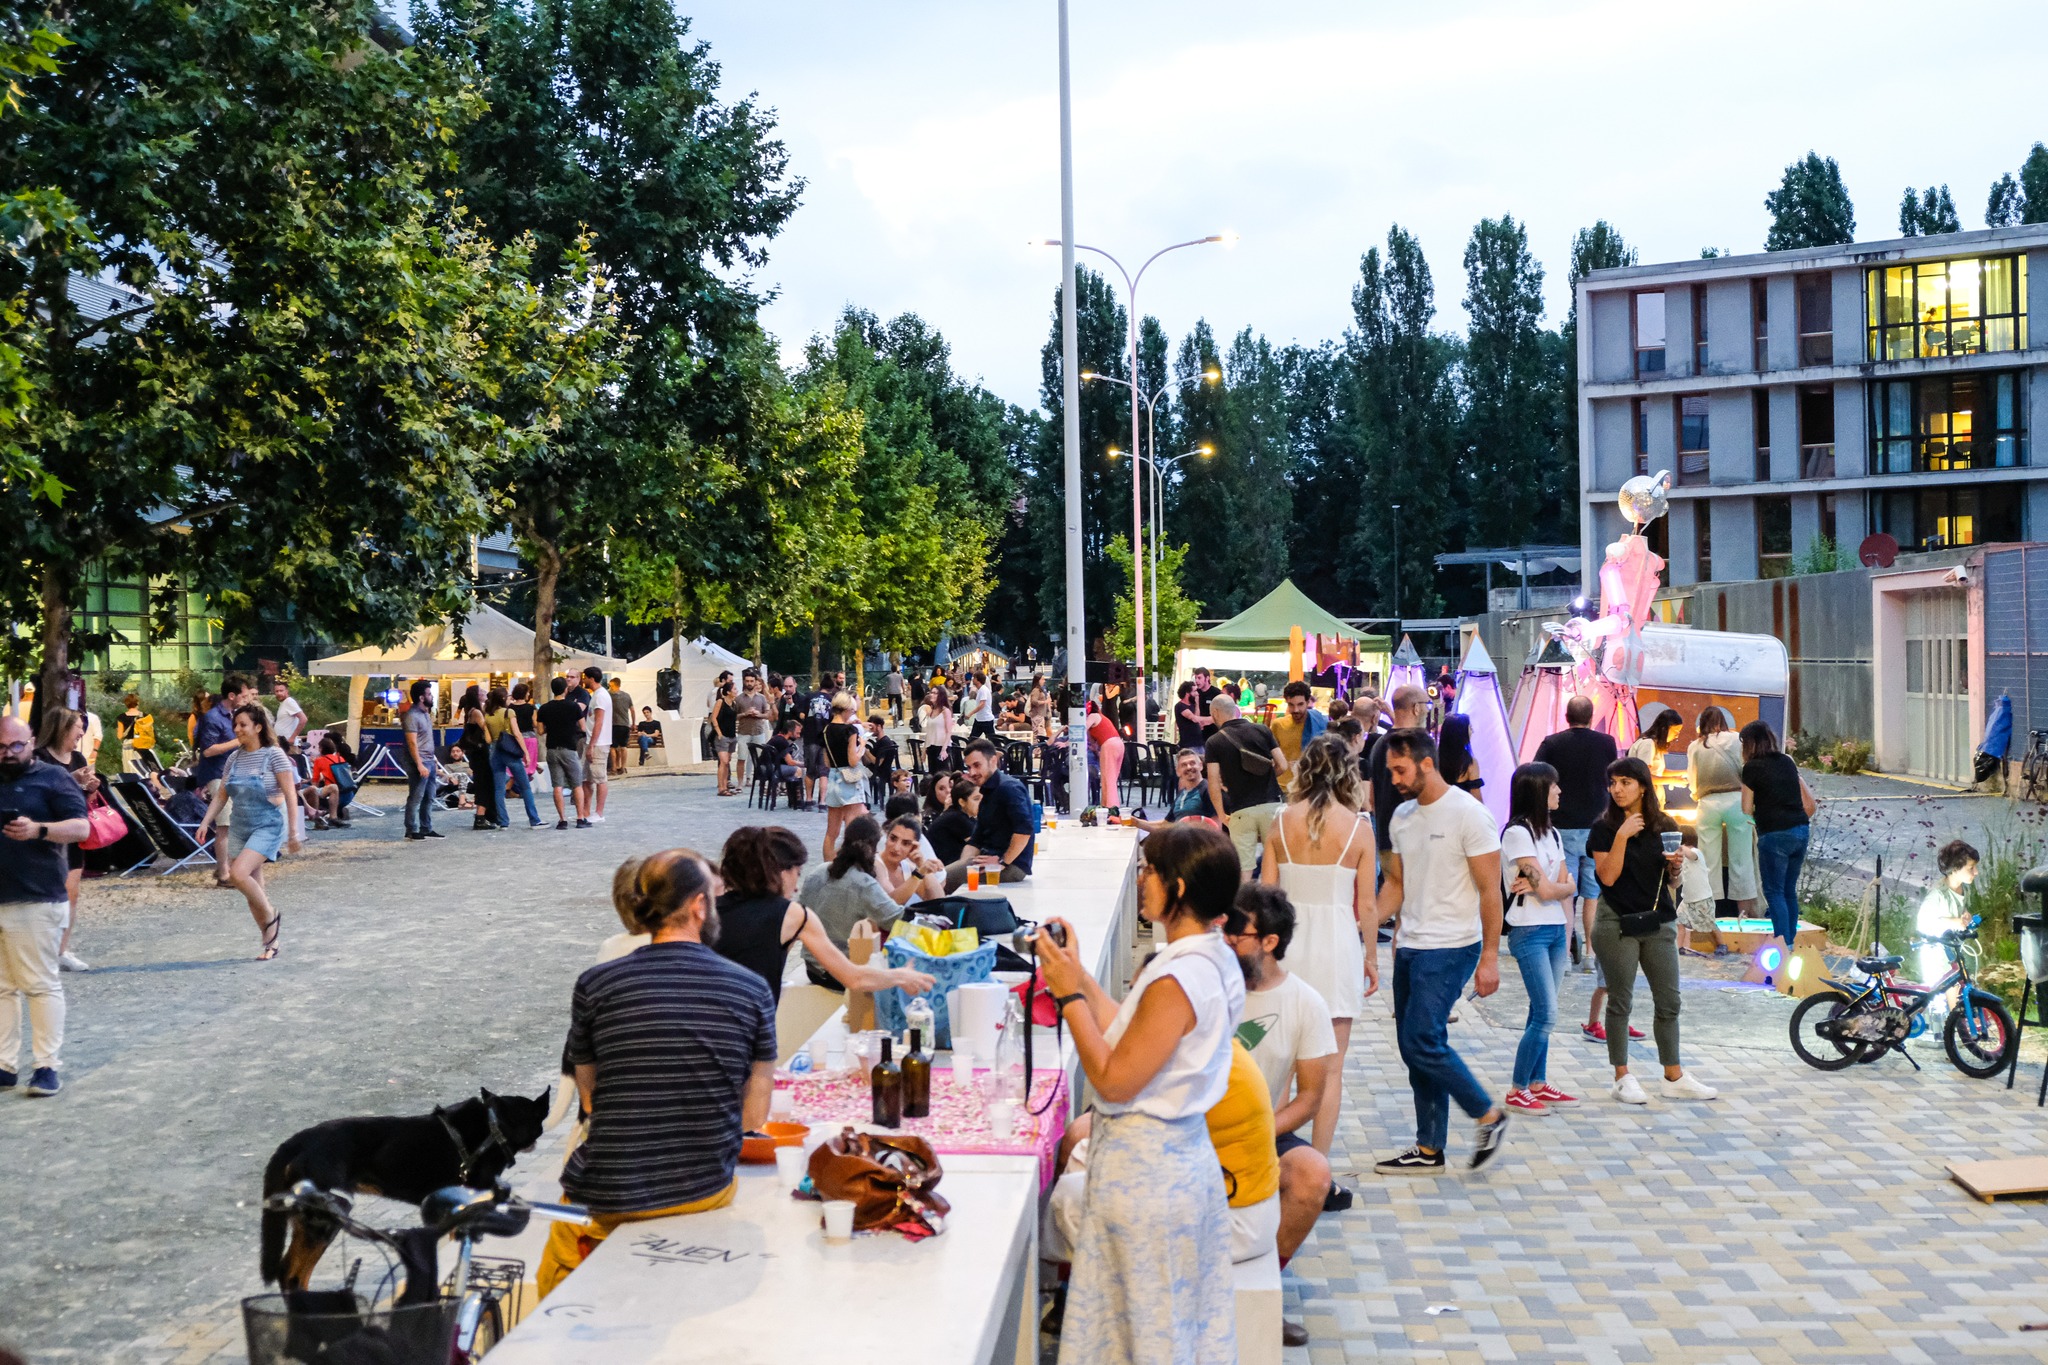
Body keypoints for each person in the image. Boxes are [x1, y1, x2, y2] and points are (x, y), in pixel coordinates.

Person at [1030, 822, 1246, 1364]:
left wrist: (1067, 996)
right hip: (1173, 1165)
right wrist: (1078, 975)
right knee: (1156, 1332)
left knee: (1145, 1340)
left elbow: (1113, 1076)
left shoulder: (1179, 977)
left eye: (1149, 870)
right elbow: (1130, 1032)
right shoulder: (1210, 955)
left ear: (1177, 889)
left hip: (1149, 1179)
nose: (1141, 878)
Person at [537, 850, 776, 1297]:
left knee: (553, 1279)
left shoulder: (596, 984)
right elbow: (753, 1118)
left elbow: (590, 1102)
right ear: (699, 907)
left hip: (609, 1197)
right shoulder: (751, 988)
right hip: (704, 1188)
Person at [1370, 728, 1510, 1173]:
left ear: (1426, 763)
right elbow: (1397, 884)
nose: (1393, 779)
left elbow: (1492, 891)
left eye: (1399, 769)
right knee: (1415, 1050)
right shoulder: (1402, 818)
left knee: (1422, 1040)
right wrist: (1367, 926)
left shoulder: (1469, 815)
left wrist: (1490, 957)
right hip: (1410, 946)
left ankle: (1489, 1115)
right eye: (1390, 770)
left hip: (1453, 947)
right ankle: (1429, 1149)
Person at [1259, 735, 1371, 1155]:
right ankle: (1318, 1166)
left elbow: (1265, 896)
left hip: (1287, 948)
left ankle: (1268, 1156)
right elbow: (1369, 905)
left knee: (1279, 1063)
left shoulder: (1281, 821)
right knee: (1331, 1067)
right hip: (1339, 946)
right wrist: (1373, 959)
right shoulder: (1359, 828)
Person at [1225, 882, 1340, 1281]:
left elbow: (1309, 1098)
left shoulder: (1306, 1003)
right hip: (1187, 1121)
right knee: (1080, 1135)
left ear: (1270, 941)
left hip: (1261, 1131)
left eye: (1238, 934)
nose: (1225, 940)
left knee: (1314, 1174)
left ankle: (1263, 1285)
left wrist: (1256, 1132)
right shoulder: (1204, 982)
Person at [1588, 755, 1717, 1104]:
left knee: (1670, 1000)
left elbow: (1670, 882)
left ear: (1642, 786)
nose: (1617, 789)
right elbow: (1608, 877)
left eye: (1625, 782)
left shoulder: (1664, 825)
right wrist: (1621, 836)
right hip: (1616, 922)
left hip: (1658, 920)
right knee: (1621, 1000)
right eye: (1612, 783)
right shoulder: (1603, 827)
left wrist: (1675, 868)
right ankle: (1622, 1076)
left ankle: (1673, 1075)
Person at [0, 715, 90, 1097]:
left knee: (39, 985)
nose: (8, 753)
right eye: (1, 748)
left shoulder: (53, 778)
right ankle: (4, 1065)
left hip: (36, 897)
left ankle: (47, 1066)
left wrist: (39, 830)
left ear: (32, 741)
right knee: (1, 988)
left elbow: (82, 828)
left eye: (16, 746)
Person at [1498, 762, 1582, 1117]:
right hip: (1528, 929)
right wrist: (1561, 886)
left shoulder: (1554, 834)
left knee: (1540, 1010)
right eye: (1553, 787)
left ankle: (1537, 1081)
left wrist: (1559, 892)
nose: (1560, 792)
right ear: (1537, 790)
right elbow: (1553, 887)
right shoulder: (1517, 834)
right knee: (1546, 1013)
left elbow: (1559, 889)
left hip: (1554, 930)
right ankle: (1518, 1088)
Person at [195, 703, 301, 961]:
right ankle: (270, 942)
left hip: (266, 824)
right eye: (235, 725)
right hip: (240, 825)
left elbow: (290, 793)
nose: (237, 729)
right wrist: (205, 822)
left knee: (238, 874)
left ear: (258, 727)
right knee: (251, 888)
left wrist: (293, 832)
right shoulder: (234, 757)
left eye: (242, 725)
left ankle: (271, 915)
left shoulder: (274, 755)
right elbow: (222, 795)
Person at [1534, 695, 1619, 982]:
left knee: (1566, 893)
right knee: (1593, 895)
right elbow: (1613, 779)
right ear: (1592, 716)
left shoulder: (1551, 743)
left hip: (1563, 827)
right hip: (1597, 827)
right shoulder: (1606, 743)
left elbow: (1536, 776)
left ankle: (1566, 957)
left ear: (1566, 716)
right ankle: (1592, 956)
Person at [796, 815, 907, 987]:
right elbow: (896, 921)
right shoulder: (863, 883)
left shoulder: (817, 872)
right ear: (873, 847)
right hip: (841, 972)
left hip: (812, 968)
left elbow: (799, 912)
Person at [32, 709, 96, 973]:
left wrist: (90, 788)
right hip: (46, 833)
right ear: (61, 728)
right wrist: (72, 780)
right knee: (43, 895)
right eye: (78, 727)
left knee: (71, 893)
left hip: (72, 833)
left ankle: (61, 950)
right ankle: (40, 951)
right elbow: (39, 793)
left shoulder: (79, 757)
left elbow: (81, 802)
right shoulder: (39, 759)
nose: (82, 733)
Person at [1741, 720, 1814, 948]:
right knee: (1789, 889)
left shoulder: (1751, 768)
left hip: (1774, 834)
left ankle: (1782, 943)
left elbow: (1745, 807)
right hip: (1800, 830)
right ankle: (1791, 941)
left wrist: (1757, 817)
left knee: (1774, 891)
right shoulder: (1786, 761)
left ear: (1749, 744)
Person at [1687, 705, 1755, 937]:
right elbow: (1747, 769)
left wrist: (1698, 796)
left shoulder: (1695, 745)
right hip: (1737, 800)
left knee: (1708, 861)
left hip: (1708, 804)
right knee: (1741, 859)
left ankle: (1710, 916)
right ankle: (1744, 915)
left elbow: (1692, 780)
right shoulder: (1737, 739)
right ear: (1723, 721)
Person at [1205, 695, 1284, 880]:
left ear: (1215, 712)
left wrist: (1222, 815)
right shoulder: (1263, 730)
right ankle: (1276, 906)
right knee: (1277, 865)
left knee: (1244, 870)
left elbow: (1213, 783)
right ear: (1235, 710)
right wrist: (1267, 777)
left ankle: (1243, 907)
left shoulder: (1214, 742)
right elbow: (1283, 764)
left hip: (1241, 811)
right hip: (1271, 806)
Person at [945, 739, 1033, 891]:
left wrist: (1002, 862)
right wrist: (964, 865)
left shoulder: (1009, 788)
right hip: (987, 861)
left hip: (1011, 866)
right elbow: (976, 840)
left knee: (937, 881)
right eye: (968, 767)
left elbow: (1024, 830)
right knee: (938, 878)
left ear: (993, 761)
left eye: (977, 765)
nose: (972, 772)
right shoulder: (987, 791)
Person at [1364, 686, 1427, 856]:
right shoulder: (1421, 745)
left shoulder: (1378, 745)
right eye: (1427, 704)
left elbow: (1372, 796)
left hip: (1386, 839)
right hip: (1417, 842)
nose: (1428, 710)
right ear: (1416, 708)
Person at [1915, 839, 1980, 1001]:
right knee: (1946, 990)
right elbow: (1924, 922)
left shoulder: (1963, 889)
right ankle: (1953, 1023)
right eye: (1971, 868)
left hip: (1950, 947)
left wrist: (1965, 915)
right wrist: (1953, 921)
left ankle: (1956, 1022)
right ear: (1955, 869)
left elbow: (1959, 908)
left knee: (1957, 984)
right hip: (1934, 951)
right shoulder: (1938, 894)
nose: (1976, 872)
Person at [485, 686, 543, 830]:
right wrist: (526, 753)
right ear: (503, 698)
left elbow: (487, 739)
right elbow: (517, 734)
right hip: (510, 752)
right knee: (525, 787)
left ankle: (503, 821)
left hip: (495, 751)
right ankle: (534, 820)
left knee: (499, 789)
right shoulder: (508, 712)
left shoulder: (487, 715)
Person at [536, 676, 590, 830]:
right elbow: (583, 727)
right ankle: (580, 818)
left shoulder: (544, 708)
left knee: (557, 786)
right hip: (569, 749)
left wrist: (551, 727)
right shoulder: (573, 707)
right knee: (577, 784)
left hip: (552, 749)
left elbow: (540, 731)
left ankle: (562, 820)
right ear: (565, 689)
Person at [820, 692, 868, 861]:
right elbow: (853, 761)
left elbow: (826, 761)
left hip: (833, 777)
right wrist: (861, 746)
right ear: (848, 709)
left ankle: (827, 866)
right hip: (849, 778)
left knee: (831, 832)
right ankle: (847, 864)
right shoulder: (850, 730)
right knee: (851, 828)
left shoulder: (825, 730)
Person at [396, 679, 443, 841]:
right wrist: (419, 764)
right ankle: (411, 828)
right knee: (416, 796)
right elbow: (412, 742)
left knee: (429, 796)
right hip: (419, 761)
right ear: (421, 697)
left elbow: (425, 739)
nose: (432, 697)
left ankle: (426, 827)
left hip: (428, 759)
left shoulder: (425, 714)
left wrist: (433, 759)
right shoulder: (412, 715)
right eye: (429, 694)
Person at [192, 674, 254, 791]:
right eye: (244, 696)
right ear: (231, 696)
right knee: (226, 809)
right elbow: (208, 751)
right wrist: (240, 740)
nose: (247, 699)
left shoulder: (237, 714)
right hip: (217, 776)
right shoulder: (213, 717)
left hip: (235, 773)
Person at [1134, 749, 1216, 831]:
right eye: (1184, 765)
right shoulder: (1182, 793)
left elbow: (1216, 827)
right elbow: (1165, 825)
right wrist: (1136, 823)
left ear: (1200, 766)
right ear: (1178, 771)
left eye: (1192, 763)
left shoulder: (1208, 790)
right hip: (1177, 839)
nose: (1189, 767)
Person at [1675, 827, 1725, 957]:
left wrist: (1678, 845)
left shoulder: (1696, 852)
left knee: (1709, 924)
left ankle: (1721, 944)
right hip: (1687, 899)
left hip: (1701, 898)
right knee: (1679, 922)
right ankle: (1678, 948)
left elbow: (1690, 854)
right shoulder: (1682, 858)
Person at [875, 814, 946, 905]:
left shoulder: (907, 868)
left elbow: (938, 900)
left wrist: (921, 863)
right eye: (893, 839)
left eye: (905, 843)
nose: (896, 848)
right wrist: (919, 873)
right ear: (887, 837)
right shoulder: (875, 864)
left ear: (913, 848)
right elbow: (892, 904)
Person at [457, 685, 495, 831]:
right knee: (484, 784)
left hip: (475, 754)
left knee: (482, 783)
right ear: (476, 696)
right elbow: (486, 729)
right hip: (480, 753)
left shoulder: (471, 711)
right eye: (481, 692)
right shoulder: (477, 712)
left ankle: (483, 816)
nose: (485, 693)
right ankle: (480, 817)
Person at [579, 667, 613, 822]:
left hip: (598, 743)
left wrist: (592, 744)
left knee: (600, 778)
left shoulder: (600, 696)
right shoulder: (595, 695)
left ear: (592, 679)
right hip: (591, 741)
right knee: (586, 778)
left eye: (585, 677)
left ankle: (599, 813)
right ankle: (585, 811)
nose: (583, 680)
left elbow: (599, 722)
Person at [1268, 680, 1327, 766]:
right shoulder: (1278, 725)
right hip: (1283, 778)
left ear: (1307, 703)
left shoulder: (1320, 724)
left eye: (1300, 704)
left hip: (1308, 777)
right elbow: (1271, 757)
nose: (1295, 710)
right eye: (1291, 705)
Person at [732, 671, 772, 790]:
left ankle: (761, 783)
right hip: (743, 732)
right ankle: (740, 783)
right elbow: (734, 716)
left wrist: (758, 714)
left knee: (760, 759)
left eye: (751, 681)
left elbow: (767, 715)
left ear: (755, 682)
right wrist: (745, 714)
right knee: (741, 758)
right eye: (747, 681)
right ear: (744, 682)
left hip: (758, 731)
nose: (749, 683)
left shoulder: (762, 698)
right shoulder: (739, 699)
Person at [926, 777, 979, 866]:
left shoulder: (961, 816)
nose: (982, 803)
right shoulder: (957, 818)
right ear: (962, 802)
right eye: (976, 799)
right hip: (941, 870)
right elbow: (981, 844)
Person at [302, 734, 350, 829]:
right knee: (333, 787)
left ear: (321, 749)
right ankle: (333, 817)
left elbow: (315, 782)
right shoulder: (340, 758)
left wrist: (310, 781)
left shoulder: (319, 761)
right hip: (346, 788)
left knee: (317, 788)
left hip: (330, 789)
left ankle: (322, 819)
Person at [757, 718, 805, 809]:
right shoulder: (782, 741)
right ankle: (797, 800)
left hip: (763, 768)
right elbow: (790, 762)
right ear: (790, 731)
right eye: (797, 733)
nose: (799, 736)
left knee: (791, 771)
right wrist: (804, 764)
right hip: (771, 769)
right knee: (798, 770)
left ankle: (793, 800)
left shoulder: (776, 738)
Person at [1086, 701, 1124, 808]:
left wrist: (1066, 742)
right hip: (1118, 744)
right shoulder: (1101, 718)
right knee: (1112, 777)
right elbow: (1093, 744)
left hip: (1108, 745)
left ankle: (1111, 807)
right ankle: (1107, 805)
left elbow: (1081, 729)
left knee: (1108, 778)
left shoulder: (1093, 716)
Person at [1437, 713, 1483, 796]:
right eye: (1470, 728)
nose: (1472, 731)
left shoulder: (1434, 759)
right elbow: (1477, 797)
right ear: (1462, 733)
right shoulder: (1469, 763)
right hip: (1461, 808)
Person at [708, 678, 739, 797]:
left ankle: (725, 786)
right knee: (723, 761)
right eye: (734, 689)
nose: (736, 691)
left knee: (727, 762)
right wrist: (719, 733)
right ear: (728, 692)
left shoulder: (734, 703)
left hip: (732, 735)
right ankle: (721, 787)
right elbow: (714, 717)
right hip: (722, 736)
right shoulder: (720, 702)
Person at [920, 684, 955, 773]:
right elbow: (929, 732)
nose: (932, 695)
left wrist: (944, 749)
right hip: (931, 746)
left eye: (935, 693)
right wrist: (924, 750)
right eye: (931, 693)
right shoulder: (931, 711)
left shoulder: (945, 711)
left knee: (942, 774)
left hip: (942, 746)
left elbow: (948, 731)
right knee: (932, 774)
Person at [117, 693, 154, 775]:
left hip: (129, 746)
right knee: (143, 770)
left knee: (130, 770)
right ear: (137, 703)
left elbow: (119, 736)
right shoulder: (145, 716)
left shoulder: (121, 717)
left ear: (126, 704)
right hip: (143, 744)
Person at [607, 678, 634, 777]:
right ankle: (623, 767)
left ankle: (614, 768)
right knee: (624, 746)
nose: (609, 687)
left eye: (610, 685)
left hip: (613, 725)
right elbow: (632, 710)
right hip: (625, 724)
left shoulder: (609, 695)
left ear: (614, 685)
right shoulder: (627, 696)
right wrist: (633, 723)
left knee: (613, 747)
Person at [271, 678, 308, 752]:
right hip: (281, 744)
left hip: (288, 745)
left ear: (287, 691)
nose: (279, 693)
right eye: (277, 691)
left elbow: (303, 719)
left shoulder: (289, 702)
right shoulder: (283, 704)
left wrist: (292, 738)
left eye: (281, 691)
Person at [968, 671, 997, 743]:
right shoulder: (980, 690)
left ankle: (1001, 752)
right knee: (972, 739)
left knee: (993, 741)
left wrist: (970, 713)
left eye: (974, 678)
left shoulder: (983, 690)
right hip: (979, 719)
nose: (972, 679)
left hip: (985, 719)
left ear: (978, 680)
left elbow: (982, 704)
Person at [1027, 675, 1051, 740]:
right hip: (1037, 714)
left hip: (1041, 714)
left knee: (1039, 734)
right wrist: (1045, 701)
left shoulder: (1040, 690)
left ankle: (1038, 748)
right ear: (1038, 680)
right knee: (1039, 734)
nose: (1044, 681)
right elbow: (1034, 701)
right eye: (1043, 679)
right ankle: (1038, 748)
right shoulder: (1036, 690)